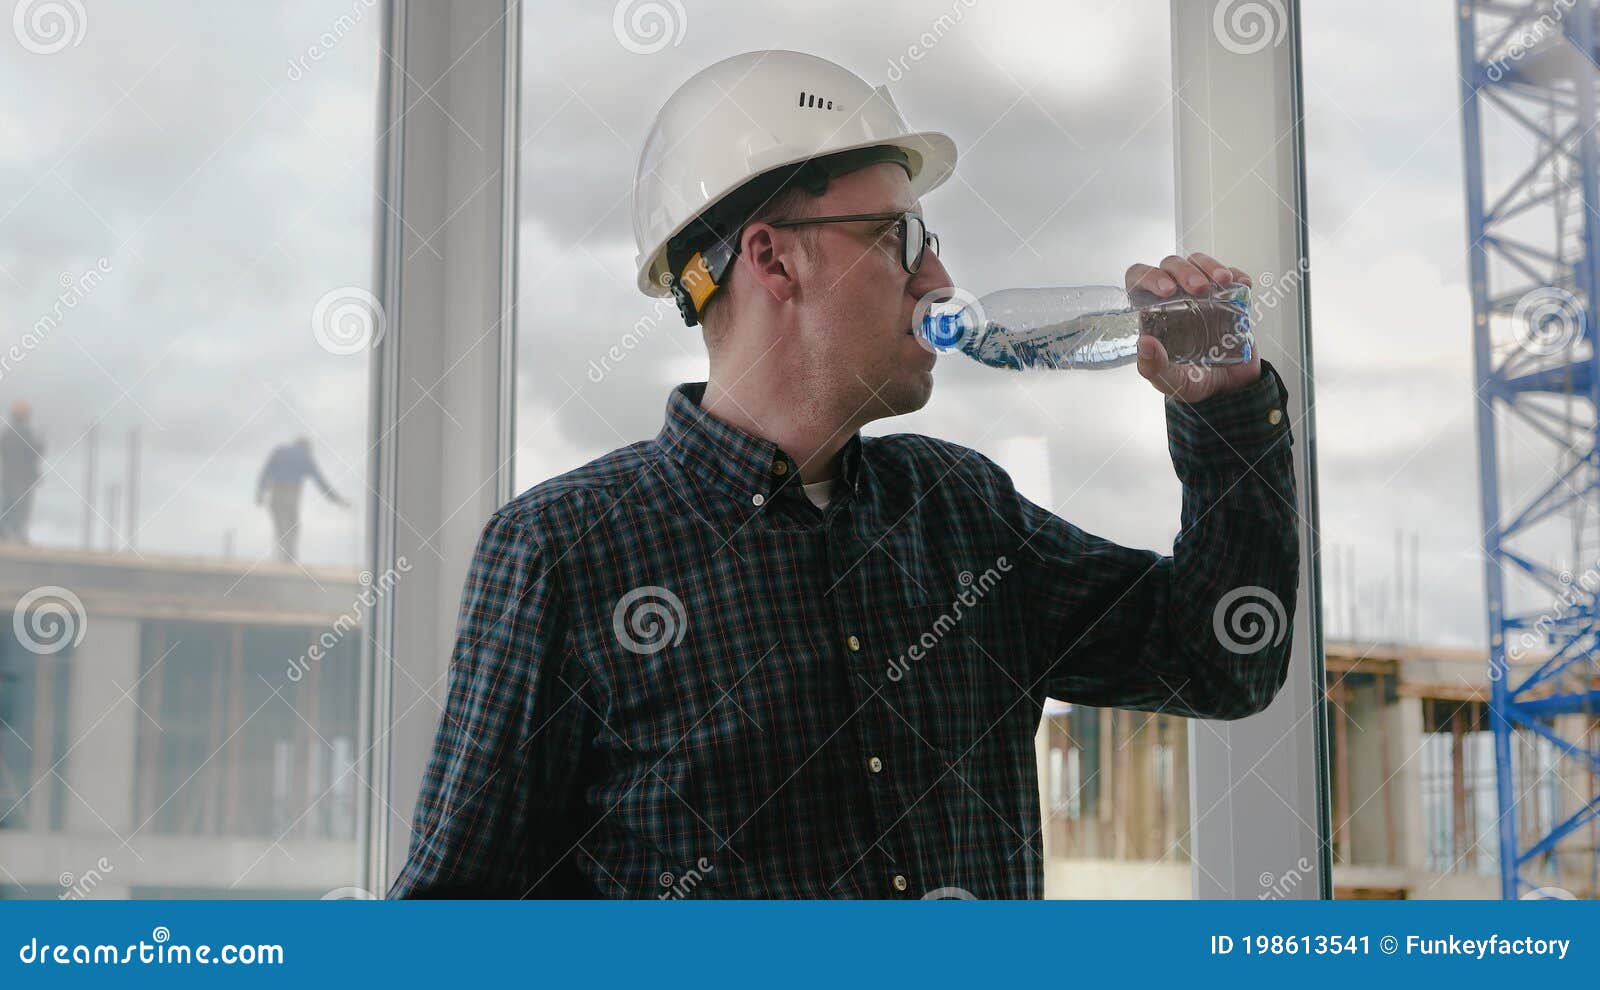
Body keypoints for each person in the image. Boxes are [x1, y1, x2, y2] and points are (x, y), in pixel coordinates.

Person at [391, 51, 1299, 899]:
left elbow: (1221, 661)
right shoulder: (567, 550)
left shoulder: (962, 512)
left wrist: (1224, 410)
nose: (938, 276)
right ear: (772, 258)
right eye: (900, 237)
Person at [254, 436, 348, 562]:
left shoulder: (279, 451)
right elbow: (322, 483)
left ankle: (281, 557)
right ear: (307, 447)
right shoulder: (305, 457)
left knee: (280, 526)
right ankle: (288, 558)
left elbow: (265, 472)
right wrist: (339, 500)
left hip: (275, 494)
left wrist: (260, 493)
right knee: (292, 526)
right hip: (291, 494)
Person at [0, 400, 43, 544]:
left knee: (10, 505)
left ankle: (8, 534)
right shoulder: (25, 433)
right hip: (22, 479)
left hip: (11, 478)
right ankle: (17, 535)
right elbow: (35, 451)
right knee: (20, 507)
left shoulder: (8, 433)